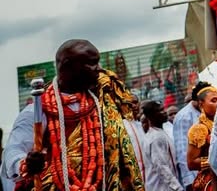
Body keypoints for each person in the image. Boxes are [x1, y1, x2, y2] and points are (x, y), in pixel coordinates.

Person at [2, 39, 145, 191]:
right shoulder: (37, 110)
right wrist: (25, 164)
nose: (99, 69)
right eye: (91, 63)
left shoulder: (101, 102)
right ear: (68, 66)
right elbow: (12, 152)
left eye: (98, 62)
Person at [174, 81, 211, 190]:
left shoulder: (208, 112)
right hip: (197, 177)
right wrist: (189, 181)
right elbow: (182, 152)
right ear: (199, 101)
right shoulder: (183, 117)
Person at [186, 87, 217, 191]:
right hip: (210, 180)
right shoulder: (199, 129)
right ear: (201, 104)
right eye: (214, 100)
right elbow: (191, 163)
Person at [143, 101, 184, 191]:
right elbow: (161, 166)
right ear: (151, 116)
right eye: (160, 110)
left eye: (163, 109)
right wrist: (177, 187)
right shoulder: (156, 138)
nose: (165, 112)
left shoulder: (160, 133)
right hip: (160, 187)